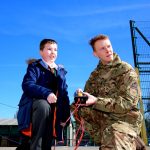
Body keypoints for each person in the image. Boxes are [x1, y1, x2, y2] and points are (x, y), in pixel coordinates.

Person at [71, 34, 146, 150]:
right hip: (104, 122)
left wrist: (96, 101)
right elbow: (88, 99)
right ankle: (117, 141)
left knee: (113, 135)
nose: (108, 50)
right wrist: (81, 97)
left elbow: (127, 103)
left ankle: (124, 138)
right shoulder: (94, 75)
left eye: (108, 46)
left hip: (124, 120)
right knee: (76, 109)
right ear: (95, 54)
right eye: (102, 48)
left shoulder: (126, 70)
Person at [17, 39, 70, 150]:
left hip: (53, 111)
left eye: (55, 49)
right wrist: (47, 93)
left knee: (47, 141)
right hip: (35, 107)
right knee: (43, 105)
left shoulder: (60, 71)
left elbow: (64, 95)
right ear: (41, 52)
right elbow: (27, 85)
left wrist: (66, 117)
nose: (53, 52)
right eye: (49, 49)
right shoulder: (35, 67)